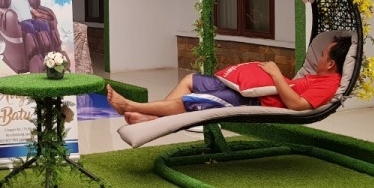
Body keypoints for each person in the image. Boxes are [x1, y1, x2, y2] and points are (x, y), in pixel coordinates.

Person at [107, 36, 352, 125]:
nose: (319, 57)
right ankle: (153, 119)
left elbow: (297, 105)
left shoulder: (329, 83)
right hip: (247, 89)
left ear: (331, 63)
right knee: (191, 79)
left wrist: (275, 73)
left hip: (255, 101)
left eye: (323, 54)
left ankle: (130, 106)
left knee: (191, 100)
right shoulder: (316, 76)